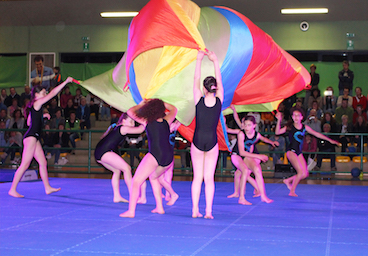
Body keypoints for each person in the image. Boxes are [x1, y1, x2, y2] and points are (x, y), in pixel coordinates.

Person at [8, 76, 74, 198]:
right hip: (31, 137)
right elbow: (54, 93)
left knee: (43, 162)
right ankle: (13, 189)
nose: (46, 94)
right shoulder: (38, 103)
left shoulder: (35, 105)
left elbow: (29, 122)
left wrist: (42, 116)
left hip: (34, 137)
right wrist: (65, 82)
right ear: (37, 94)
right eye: (44, 92)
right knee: (25, 164)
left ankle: (47, 187)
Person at [120, 99, 179, 218]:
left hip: (155, 154)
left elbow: (130, 111)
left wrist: (142, 104)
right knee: (153, 177)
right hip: (168, 157)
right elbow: (174, 109)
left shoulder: (147, 121)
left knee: (136, 181)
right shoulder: (167, 121)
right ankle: (160, 207)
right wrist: (163, 103)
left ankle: (131, 212)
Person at [275, 108, 340, 197]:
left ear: (302, 117)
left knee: (305, 174)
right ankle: (292, 191)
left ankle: (288, 180)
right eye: (294, 115)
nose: (296, 117)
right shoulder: (289, 127)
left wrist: (330, 140)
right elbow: (277, 132)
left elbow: (317, 134)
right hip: (291, 151)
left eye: (298, 115)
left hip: (299, 152)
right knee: (300, 172)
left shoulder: (304, 128)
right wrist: (279, 120)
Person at [190, 50, 223, 219]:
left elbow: (195, 80)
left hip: (197, 141)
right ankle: (208, 212)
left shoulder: (198, 98)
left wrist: (198, 59)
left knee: (198, 178)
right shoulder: (219, 100)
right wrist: (215, 60)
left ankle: (195, 210)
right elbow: (220, 81)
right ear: (215, 88)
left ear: (204, 89)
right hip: (211, 142)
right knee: (209, 179)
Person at [227, 112, 276, 205]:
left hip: (246, 156)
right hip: (237, 155)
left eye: (249, 125)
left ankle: (263, 196)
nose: (246, 127)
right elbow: (241, 152)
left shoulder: (256, 135)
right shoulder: (241, 134)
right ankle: (241, 197)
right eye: (245, 125)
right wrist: (259, 156)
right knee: (244, 171)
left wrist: (271, 142)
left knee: (257, 169)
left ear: (254, 125)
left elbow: (263, 139)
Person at [95, 113, 145, 203]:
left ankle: (117, 196)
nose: (133, 123)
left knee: (117, 171)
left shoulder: (118, 127)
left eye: (134, 121)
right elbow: (140, 129)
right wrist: (145, 121)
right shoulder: (123, 128)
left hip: (99, 152)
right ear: (124, 121)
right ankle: (133, 196)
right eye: (131, 121)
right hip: (104, 151)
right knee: (127, 168)